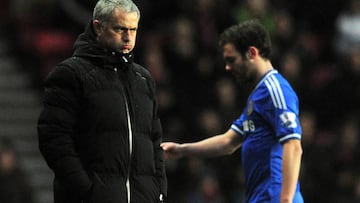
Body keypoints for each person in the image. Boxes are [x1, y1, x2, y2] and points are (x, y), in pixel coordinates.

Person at [37, 0, 167, 202]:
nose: (128, 37)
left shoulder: (144, 80)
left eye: (133, 30)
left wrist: (158, 190)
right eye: (120, 29)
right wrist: (86, 190)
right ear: (98, 27)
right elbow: (54, 140)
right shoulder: (71, 74)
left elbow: (155, 141)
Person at [161, 20, 303, 203]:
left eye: (232, 60)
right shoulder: (258, 95)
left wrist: (285, 200)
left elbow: (294, 145)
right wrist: (182, 150)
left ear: (252, 53)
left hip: (274, 197)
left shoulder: (276, 89)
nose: (227, 67)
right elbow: (228, 142)